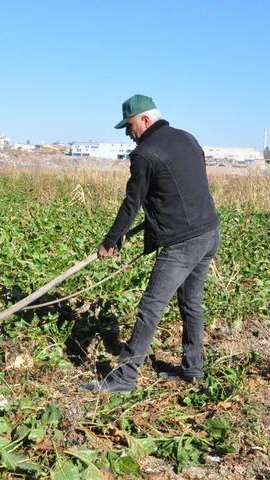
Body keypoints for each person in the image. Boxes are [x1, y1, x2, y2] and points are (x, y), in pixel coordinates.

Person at [83, 94, 220, 393]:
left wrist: (111, 240)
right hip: (209, 233)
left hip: (184, 243)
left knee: (150, 306)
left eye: (129, 125)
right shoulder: (187, 138)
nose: (127, 133)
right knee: (191, 303)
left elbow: (131, 203)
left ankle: (124, 378)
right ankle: (193, 370)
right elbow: (182, 186)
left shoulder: (144, 154)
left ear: (145, 120)